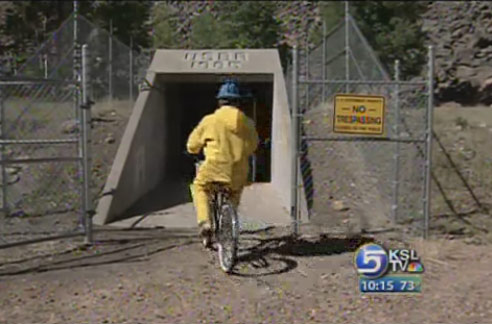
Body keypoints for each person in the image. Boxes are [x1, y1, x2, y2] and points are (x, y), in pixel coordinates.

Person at [186, 80, 259, 247]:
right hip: (238, 171)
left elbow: (192, 145)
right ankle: (229, 222)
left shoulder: (210, 120)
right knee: (234, 193)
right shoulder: (247, 123)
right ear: (239, 102)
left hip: (214, 167)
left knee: (200, 187)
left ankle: (205, 222)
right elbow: (253, 145)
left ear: (220, 101)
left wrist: (194, 150)